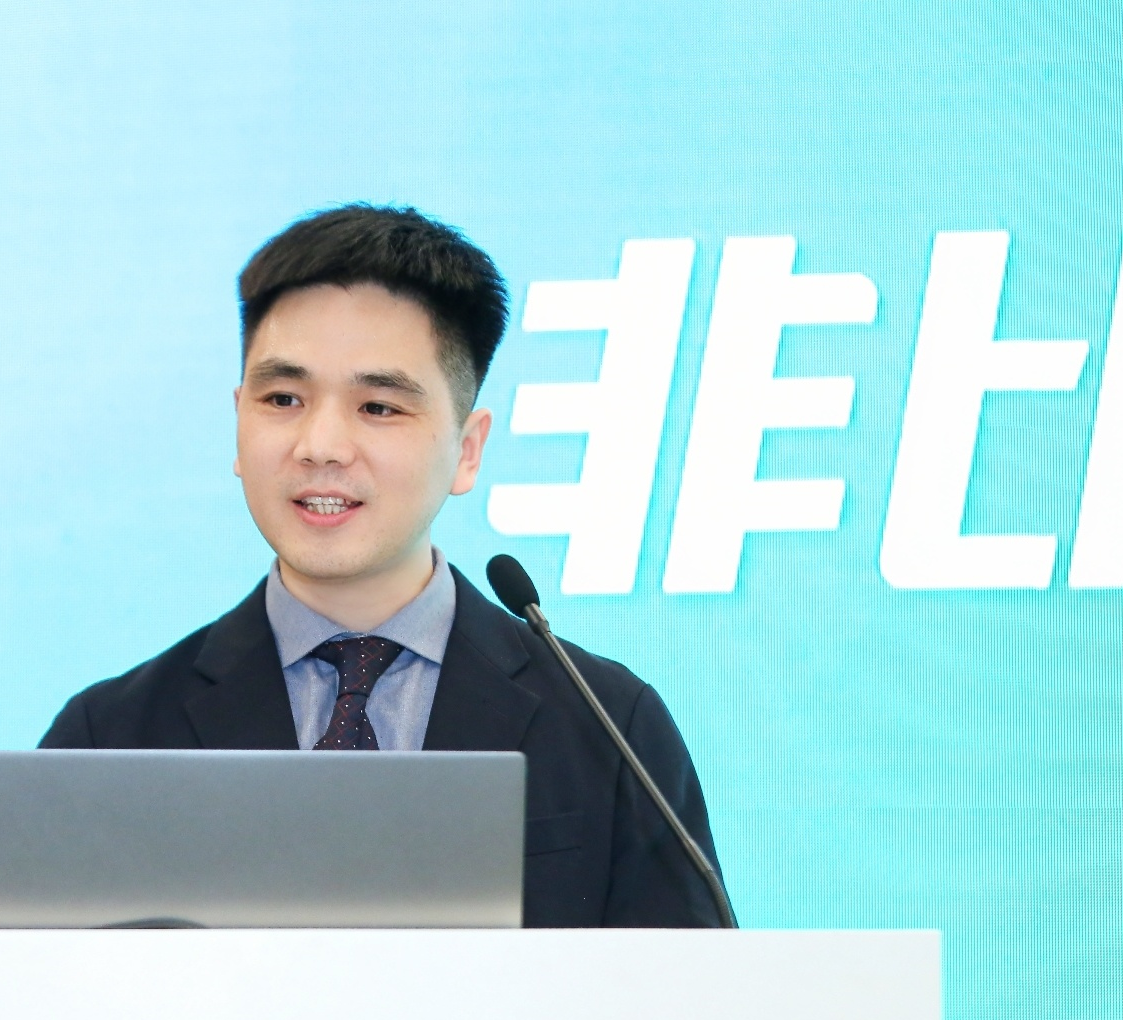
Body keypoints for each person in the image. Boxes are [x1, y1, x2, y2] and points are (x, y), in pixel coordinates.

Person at [42, 204, 730, 927]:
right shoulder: (110, 737)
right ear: (239, 423)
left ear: (467, 450)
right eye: (283, 399)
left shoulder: (610, 729)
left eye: (378, 407)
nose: (321, 445)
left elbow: (689, 991)